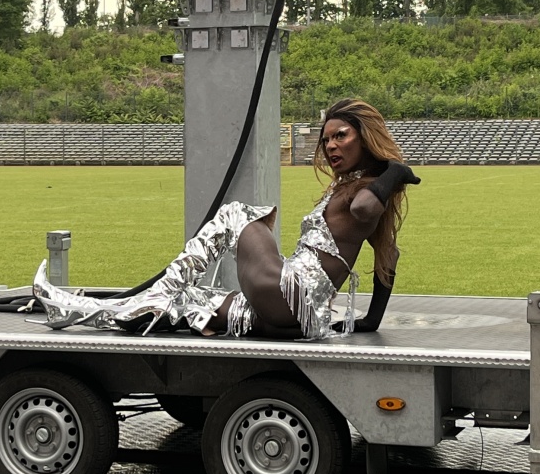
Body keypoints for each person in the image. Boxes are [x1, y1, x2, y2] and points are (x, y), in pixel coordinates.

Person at [33, 98, 419, 340]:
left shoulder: (366, 192)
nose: (331, 146)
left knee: (238, 213)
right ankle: (72, 309)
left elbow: (365, 209)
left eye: (341, 136)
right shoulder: (353, 187)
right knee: (185, 303)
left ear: (365, 137)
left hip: (288, 294)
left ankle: (151, 292)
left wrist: (395, 171)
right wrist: (369, 322)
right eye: (326, 140)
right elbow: (392, 258)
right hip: (301, 319)